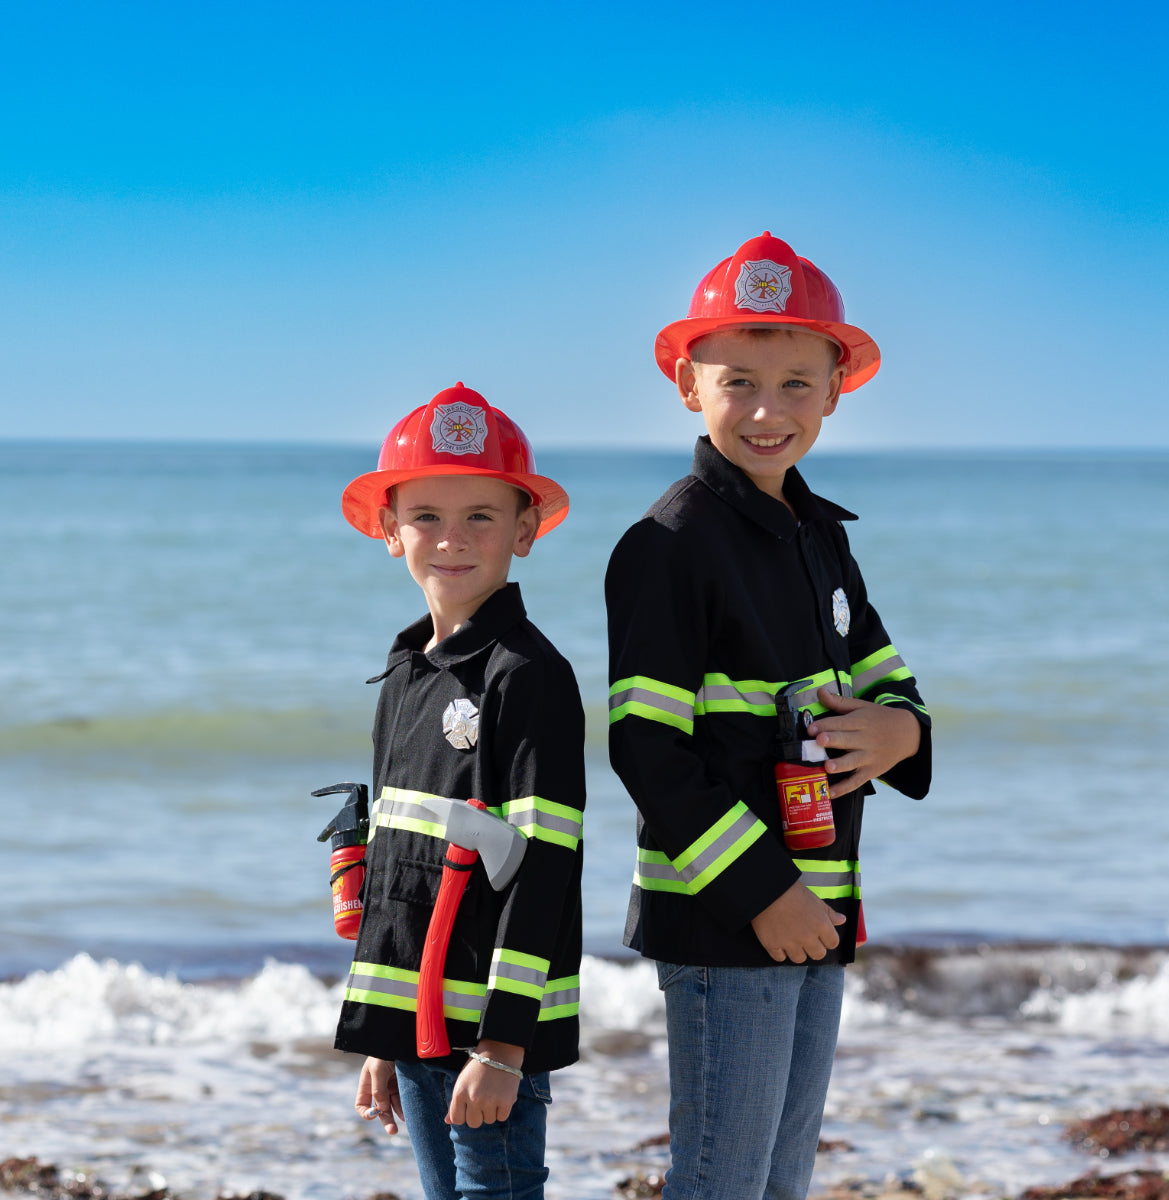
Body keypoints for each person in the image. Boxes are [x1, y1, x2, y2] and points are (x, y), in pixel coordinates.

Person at [606, 232, 931, 1200]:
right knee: (723, 1179)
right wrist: (762, 892)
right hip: (727, 914)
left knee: (783, 1178)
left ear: (836, 390)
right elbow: (646, 749)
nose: (766, 411)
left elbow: (891, 681)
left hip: (822, 904)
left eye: (796, 385)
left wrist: (903, 733)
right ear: (687, 384)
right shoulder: (667, 545)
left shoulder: (822, 538)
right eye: (738, 382)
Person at [335, 382, 585, 1200]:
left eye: (481, 515)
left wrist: (505, 1048)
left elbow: (544, 870)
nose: (452, 538)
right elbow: (396, 866)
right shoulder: (405, 674)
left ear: (525, 529)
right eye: (426, 516)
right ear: (389, 529)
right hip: (418, 1025)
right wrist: (384, 1031)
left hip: (488, 1036)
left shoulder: (529, 676)